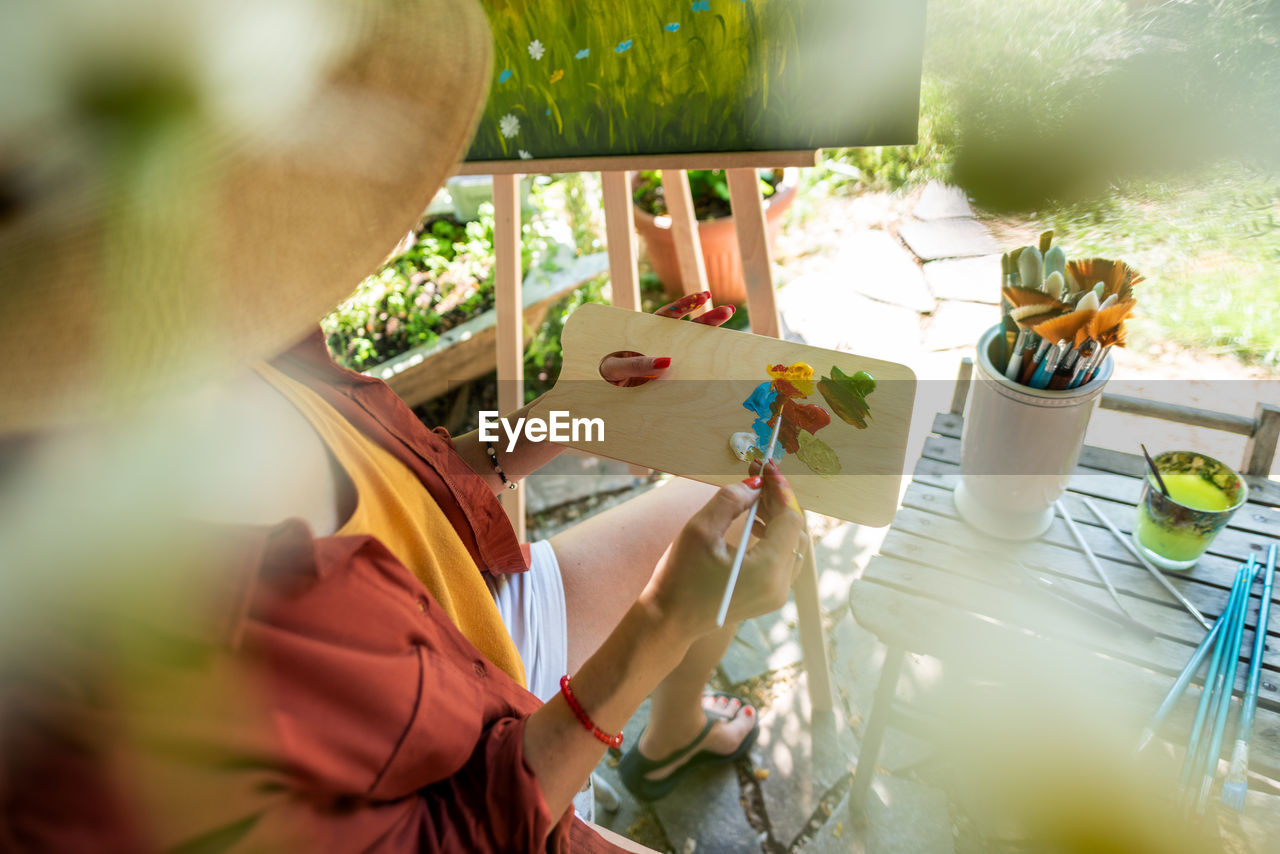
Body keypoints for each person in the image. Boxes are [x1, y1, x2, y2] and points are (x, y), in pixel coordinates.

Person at [0, 1, 809, 850]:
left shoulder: (250, 338)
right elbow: (459, 832)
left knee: (757, 491)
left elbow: (411, 492)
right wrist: (658, 627)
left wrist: (567, 417)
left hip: (477, 623)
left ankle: (672, 739)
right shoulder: (101, 659)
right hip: (478, 773)